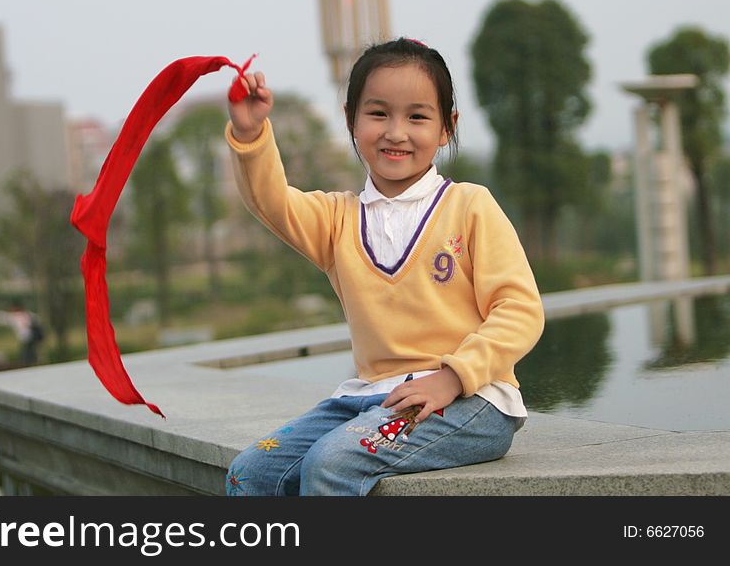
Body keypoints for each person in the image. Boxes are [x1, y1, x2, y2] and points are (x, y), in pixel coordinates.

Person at [223, 38, 545, 496]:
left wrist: (452, 376)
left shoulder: (470, 206)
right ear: (350, 119)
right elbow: (272, 203)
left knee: (331, 463)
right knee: (249, 473)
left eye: (417, 116)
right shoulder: (337, 219)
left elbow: (520, 309)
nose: (396, 132)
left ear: (446, 127)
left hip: (471, 400)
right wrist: (251, 136)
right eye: (378, 114)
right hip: (366, 401)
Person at [0, 299, 44, 366]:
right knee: (32, 355)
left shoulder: (16, 316)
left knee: (27, 357)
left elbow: (3, 317)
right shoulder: (30, 315)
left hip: (28, 339)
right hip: (33, 338)